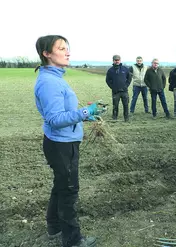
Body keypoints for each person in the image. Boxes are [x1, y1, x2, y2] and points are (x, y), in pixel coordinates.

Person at [34, 35, 96, 247]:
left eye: (67, 48)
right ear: (47, 54)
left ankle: (54, 227)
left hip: (62, 141)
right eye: (61, 48)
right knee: (69, 190)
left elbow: (63, 112)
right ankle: (73, 241)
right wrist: (85, 112)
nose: (67, 52)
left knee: (61, 185)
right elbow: (55, 119)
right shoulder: (49, 82)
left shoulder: (55, 77)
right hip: (61, 144)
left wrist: (85, 115)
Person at [105, 55, 132, 121]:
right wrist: (112, 87)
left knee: (125, 105)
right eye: (115, 60)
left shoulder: (125, 69)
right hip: (115, 92)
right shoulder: (110, 70)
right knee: (115, 105)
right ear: (113, 61)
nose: (117, 61)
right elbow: (107, 80)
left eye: (118, 60)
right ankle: (114, 118)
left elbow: (129, 78)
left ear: (120, 60)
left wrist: (126, 85)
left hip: (124, 91)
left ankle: (126, 118)